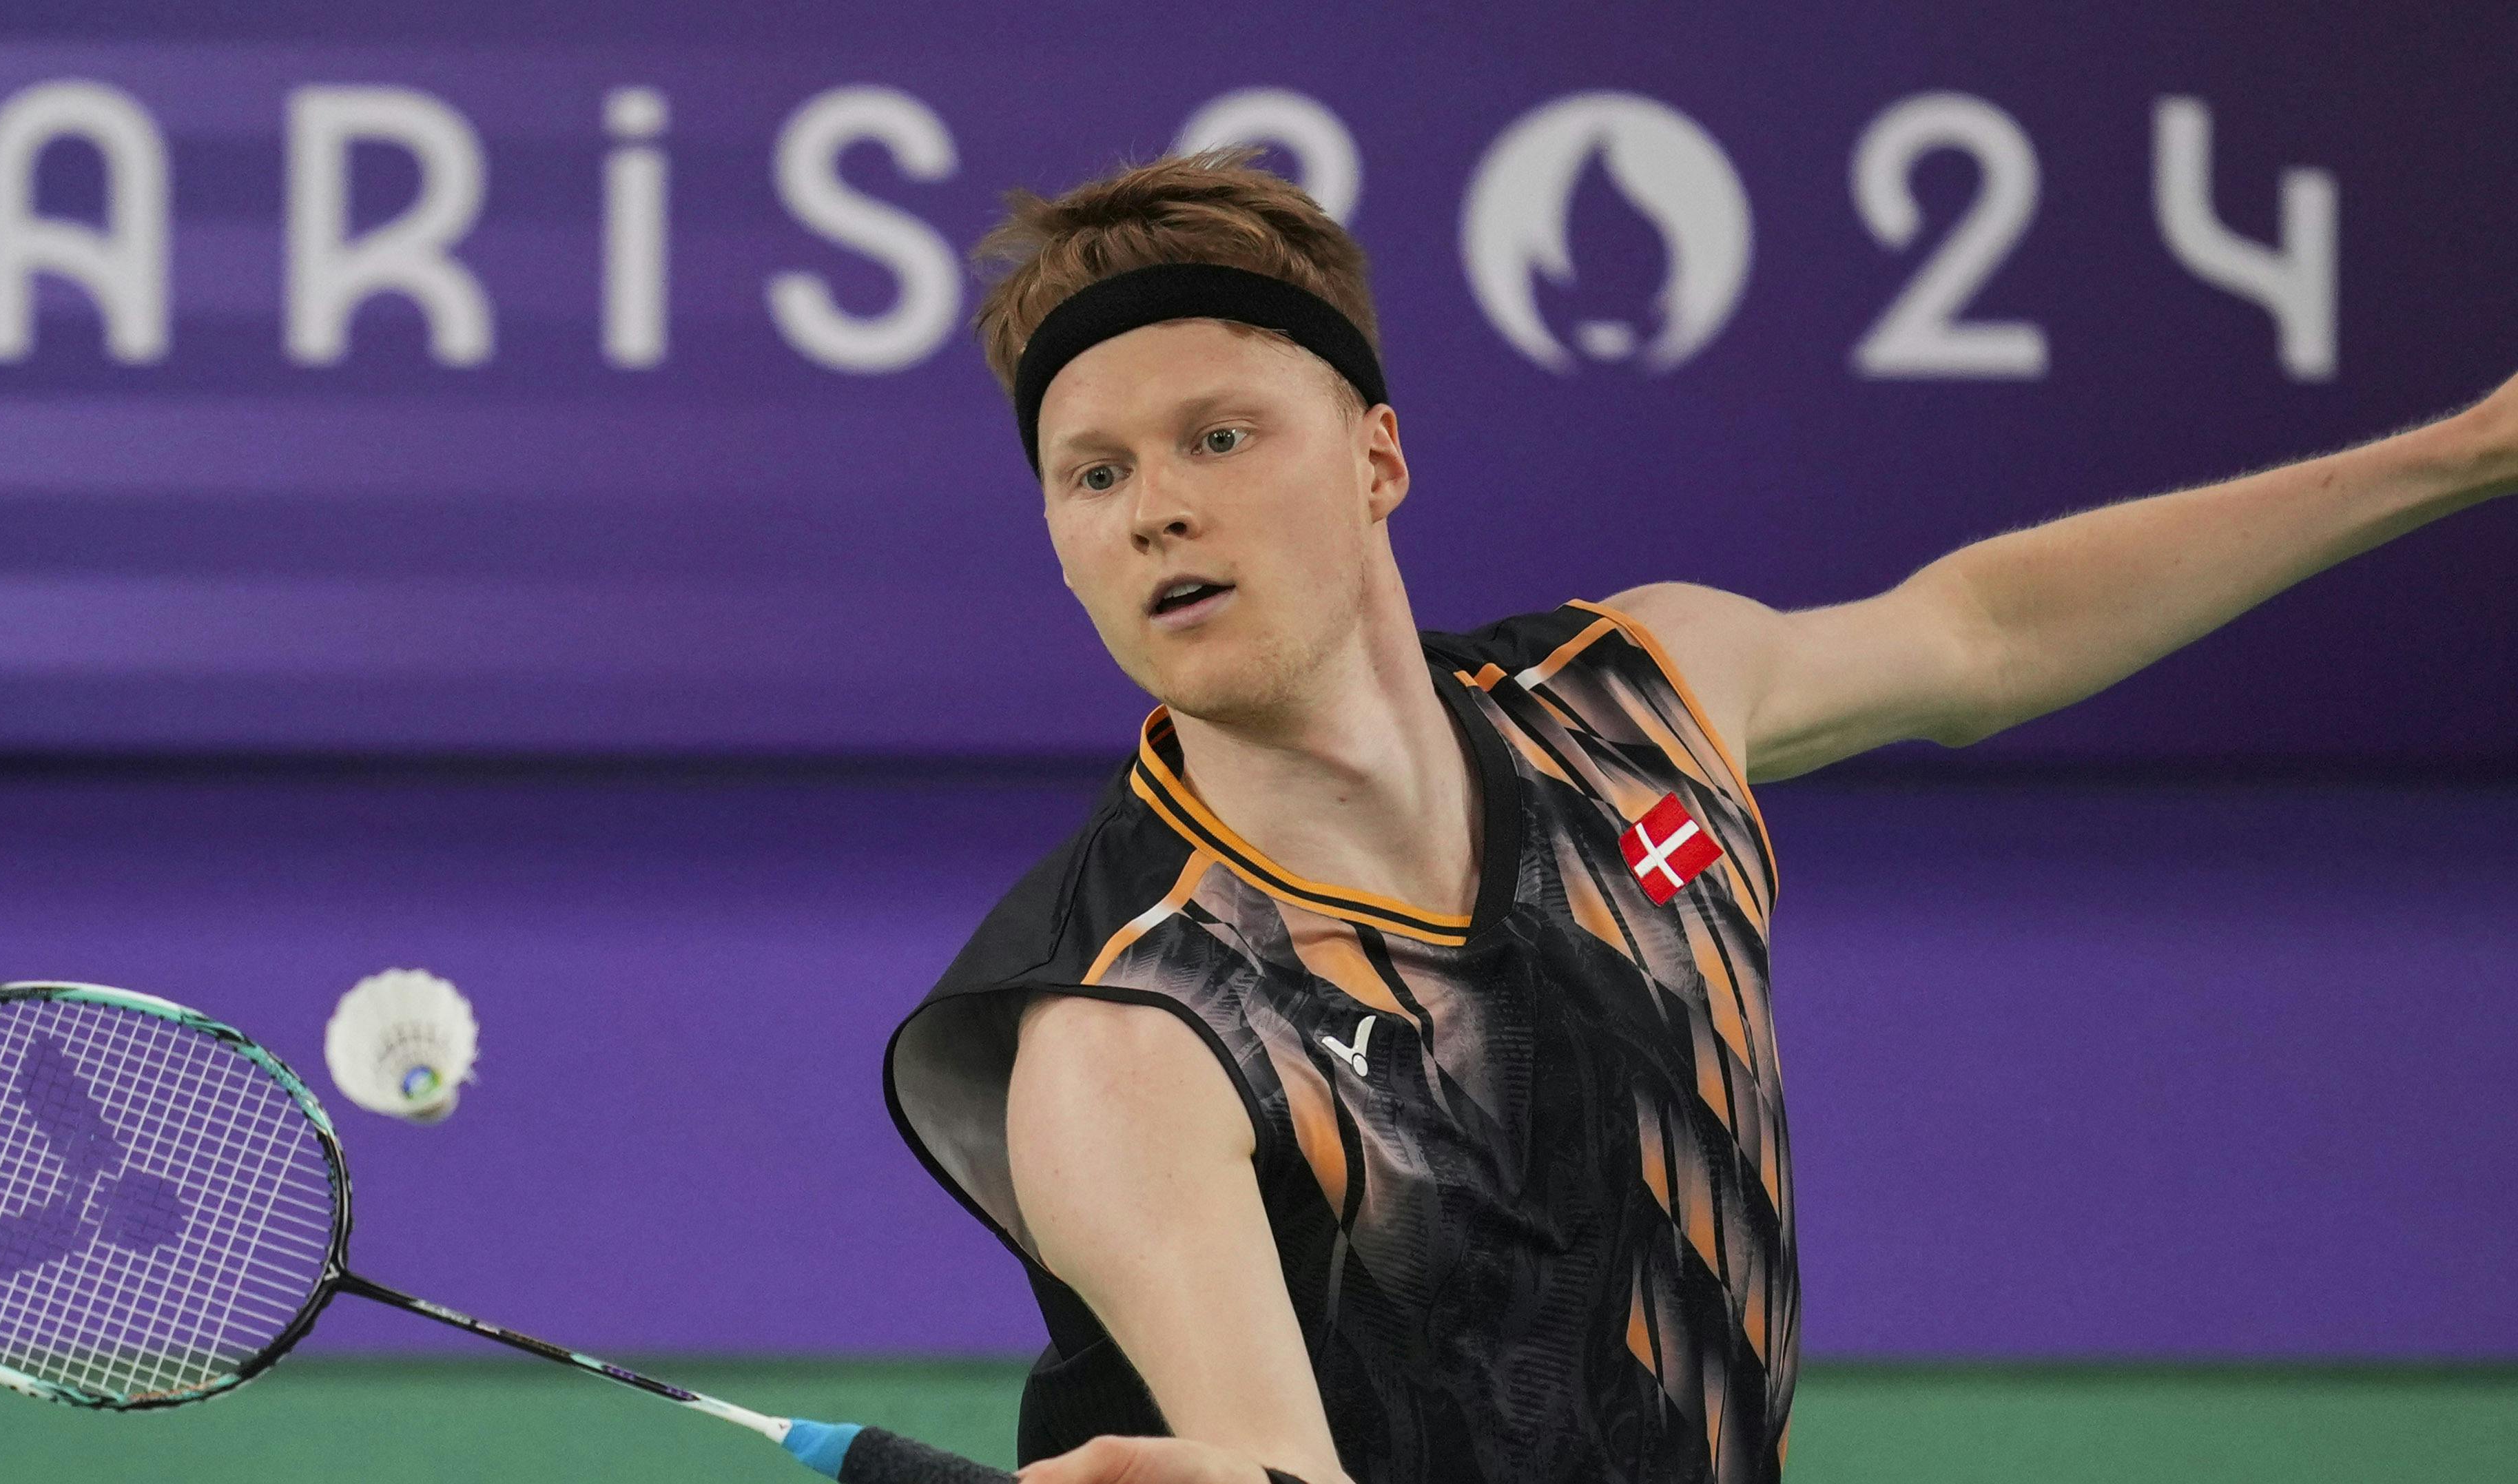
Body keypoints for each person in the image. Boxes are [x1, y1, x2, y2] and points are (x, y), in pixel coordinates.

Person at [882, 150, 2516, 1484]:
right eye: (1090, 477)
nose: (1157, 502)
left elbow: (1985, 633)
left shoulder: (1634, 709)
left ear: (1377, 458)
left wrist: (2464, 453)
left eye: (1220, 437)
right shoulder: (1134, 1031)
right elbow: (1273, 1469)